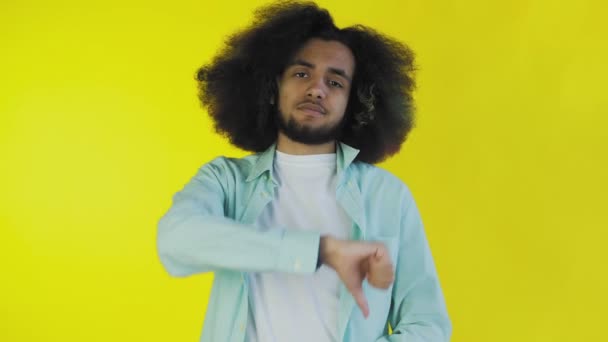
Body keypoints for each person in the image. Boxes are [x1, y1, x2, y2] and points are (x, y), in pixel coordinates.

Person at [157, 1, 451, 341]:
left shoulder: (388, 195)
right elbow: (175, 239)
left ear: (354, 102)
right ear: (272, 88)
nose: (317, 88)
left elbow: (428, 325)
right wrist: (320, 250)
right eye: (302, 73)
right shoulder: (226, 181)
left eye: (336, 82)